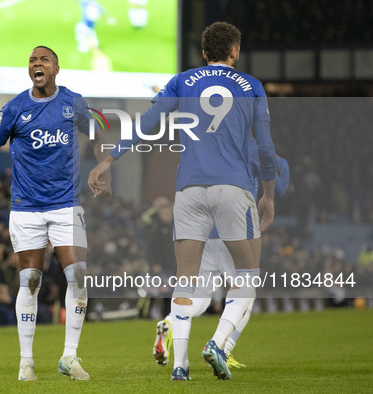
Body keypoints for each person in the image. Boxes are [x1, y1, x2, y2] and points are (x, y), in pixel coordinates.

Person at [89, 22, 276, 381]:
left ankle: (180, 366)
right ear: (234, 52)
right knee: (247, 276)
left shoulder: (182, 81)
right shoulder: (251, 87)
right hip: (233, 189)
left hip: (189, 191)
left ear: (204, 53)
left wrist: (109, 159)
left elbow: (147, 124)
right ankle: (219, 344)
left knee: (186, 280)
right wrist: (267, 194)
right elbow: (265, 148)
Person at [0, 46, 109, 381]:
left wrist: (104, 168)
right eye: (32, 60)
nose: (37, 64)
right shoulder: (15, 107)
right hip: (27, 208)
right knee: (30, 280)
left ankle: (69, 357)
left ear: (56, 69)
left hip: (66, 204)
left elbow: (97, 137)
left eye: (43, 60)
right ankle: (26, 362)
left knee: (78, 275)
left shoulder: (72, 102)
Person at [153, 146, 289, 370]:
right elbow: (279, 188)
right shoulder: (250, 147)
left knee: (201, 296)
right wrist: (281, 162)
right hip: (234, 231)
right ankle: (223, 349)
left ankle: (168, 323)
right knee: (246, 292)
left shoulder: (208, 148)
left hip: (203, 233)